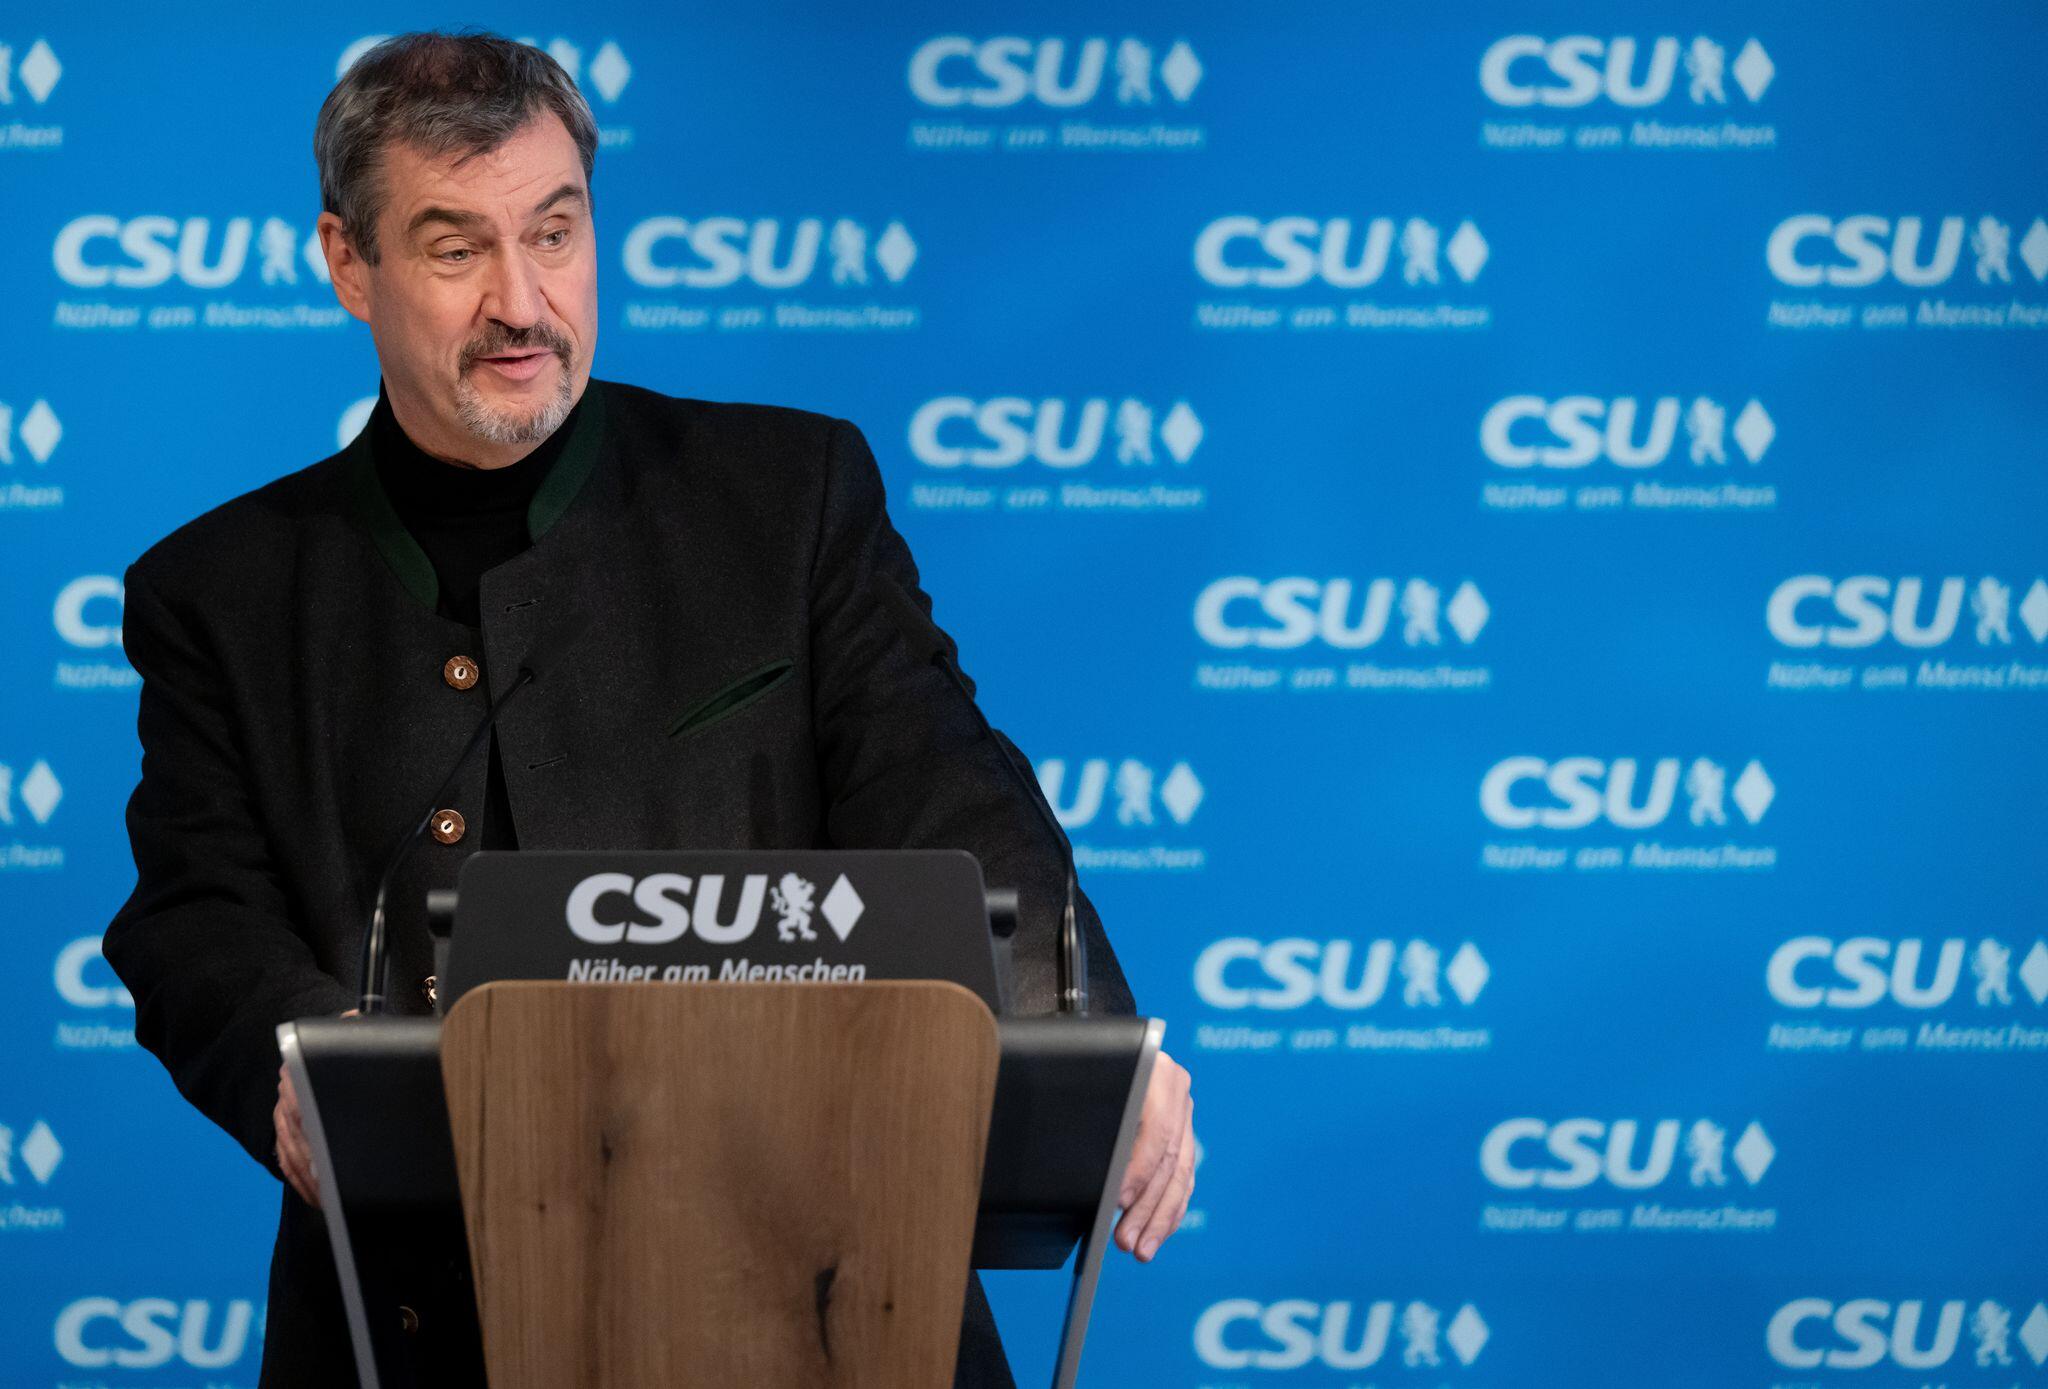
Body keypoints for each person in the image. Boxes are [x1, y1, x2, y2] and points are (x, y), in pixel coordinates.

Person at [101, 30, 1194, 1389]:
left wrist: (1083, 1039)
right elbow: (197, 912)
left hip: (825, 1291)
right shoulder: (217, 590)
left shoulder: (787, 495)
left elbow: (947, 786)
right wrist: (308, 1064)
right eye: (455, 249)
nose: (521, 301)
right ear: (348, 262)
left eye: (554, 234)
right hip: (416, 1320)